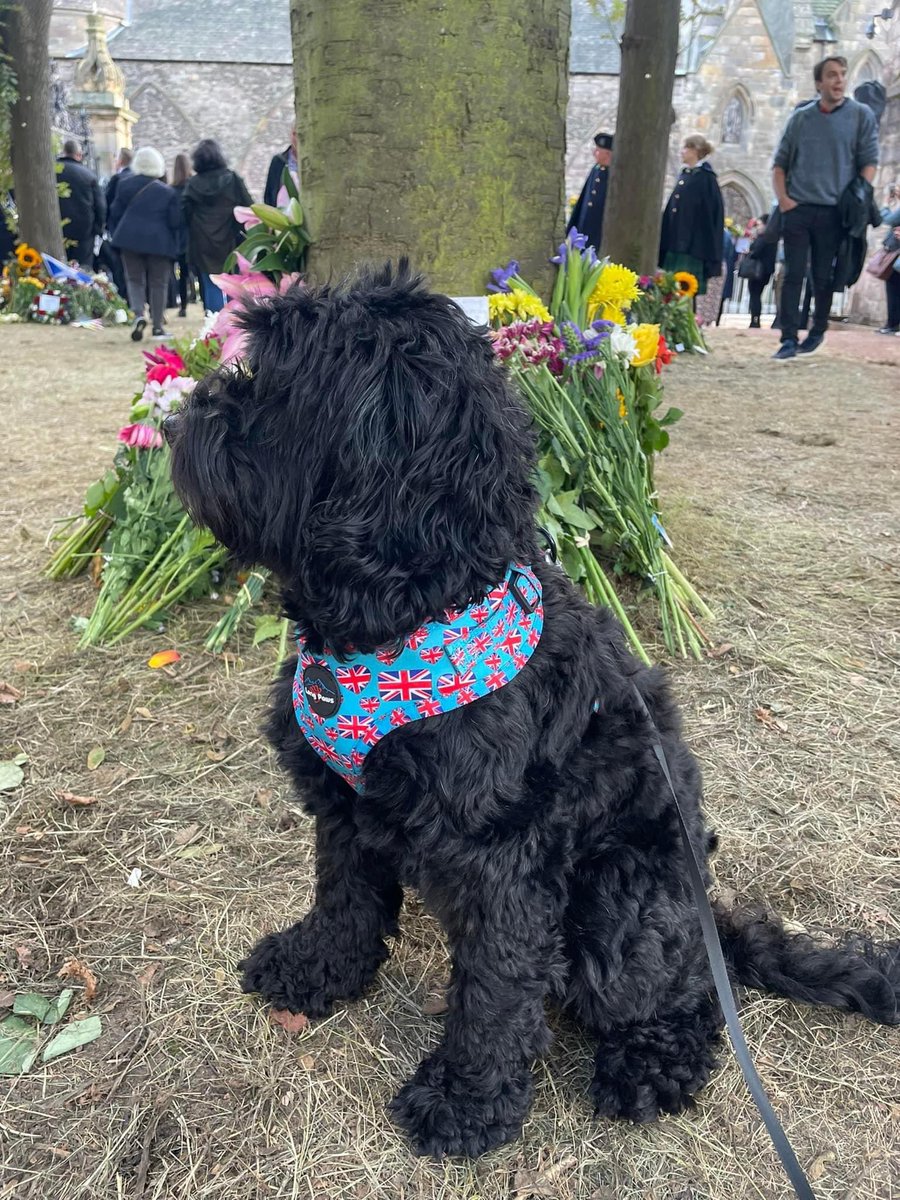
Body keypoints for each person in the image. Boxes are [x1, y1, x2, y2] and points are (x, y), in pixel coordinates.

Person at [771, 54, 879, 360]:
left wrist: (858, 194)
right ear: (819, 83)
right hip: (798, 208)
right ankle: (788, 338)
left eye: (843, 74)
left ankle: (817, 331)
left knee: (823, 276)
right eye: (832, 75)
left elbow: (869, 160)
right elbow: (779, 164)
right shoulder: (801, 119)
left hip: (834, 211)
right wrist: (785, 201)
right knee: (792, 274)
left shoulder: (861, 116)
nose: (839, 80)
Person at [109, 146, 183, 342]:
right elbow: (175, 221)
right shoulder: (167, 192)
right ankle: (157, 327)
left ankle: (138, 313)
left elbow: (115, 213)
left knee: (134, 280)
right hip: (159, 242)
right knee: (159, 283)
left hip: (129, 239)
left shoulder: (124, 185)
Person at [181, 139, 252, 313]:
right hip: (231, 239)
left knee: (210, 282)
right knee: (233, 283)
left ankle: (214, 326)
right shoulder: (233, 179)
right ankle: (235, 323)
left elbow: (184, 213)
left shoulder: (192, 185)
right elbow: (249, 206)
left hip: (203, 242)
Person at [658, 135, 724, 303]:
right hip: (675, 243)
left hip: (692, 248)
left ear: (695, 151)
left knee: (685, 294)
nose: (682, 152)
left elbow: (710, 217)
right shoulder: (685, 175)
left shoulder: (706, 179)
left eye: (686, 148)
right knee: (669, 291)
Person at [57, 139, 105, 268]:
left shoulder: (52, 172)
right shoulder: (88, 175)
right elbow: (100, 206)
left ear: (64, 152)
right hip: (83, 231)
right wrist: (98, 229)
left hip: (58, 228)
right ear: (79, 154)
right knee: (83, 269)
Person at [566, 132, 613, 251]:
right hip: (585, 227)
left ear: (608, 154)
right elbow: (583, 200)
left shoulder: (613, 175)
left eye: (598, 151)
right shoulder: (595, 170)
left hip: (599, 231)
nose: (594, 154)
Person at [171, 152, 195, 318]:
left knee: (182, 272)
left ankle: (184, 305)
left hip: (178, 236)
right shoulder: (193, 186)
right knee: (196, 270)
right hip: (193, 235)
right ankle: (195, 296)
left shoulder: (171, 190)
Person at [744, 214, 777, 328]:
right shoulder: (773, 238)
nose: (757, 227)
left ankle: (755, 319)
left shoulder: (763, 238)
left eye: (759, 225)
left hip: (758, 270)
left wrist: (749, 252)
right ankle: (755, 317)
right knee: (757, 294)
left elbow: (756, 252)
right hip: (766, 271)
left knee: (755, 294)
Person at [877, 184, 900, 335]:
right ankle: (892, 323)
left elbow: (888, 219)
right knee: (893, 288)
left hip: (896, 254)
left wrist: (886, 203)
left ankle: (892, 324)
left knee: (894, 289)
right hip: (895, 252)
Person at [263, 124, 298, 208]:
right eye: (294, 134)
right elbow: (269, 194)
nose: (296, 138)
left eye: (299, 134)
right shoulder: (278, 161)